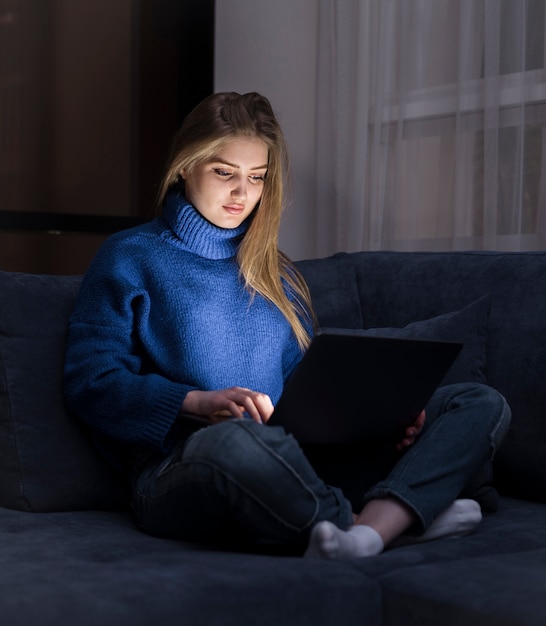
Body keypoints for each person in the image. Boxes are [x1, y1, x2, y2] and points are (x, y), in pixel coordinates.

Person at [64, 91, 511, 559]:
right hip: (182, 468)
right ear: (183, 166)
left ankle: (363, 535)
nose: (242, 193)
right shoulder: (130, 256)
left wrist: (381, 419)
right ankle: (387, 524)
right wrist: (194, 402)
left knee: (476, 401)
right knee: (236, 442)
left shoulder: (275, 271)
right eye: (224, 172)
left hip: (300, 460)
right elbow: (90, 382)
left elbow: (302, 389)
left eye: (257, 177)